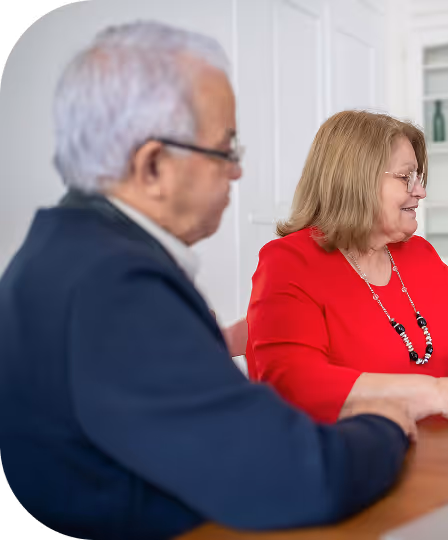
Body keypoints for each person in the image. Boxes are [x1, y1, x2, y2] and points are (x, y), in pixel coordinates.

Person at [0, 21, 415, 540]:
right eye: (226, 150)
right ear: (152, 165)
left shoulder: (66, 251)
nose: (236, 173)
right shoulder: (117, 285)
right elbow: (292, 476)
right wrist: (384, 423)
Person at [246, 110, 448, 427]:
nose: (421, 191)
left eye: (419, 177)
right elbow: (294, 382)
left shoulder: (418, 255)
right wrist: (438, 392)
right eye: (406, 177)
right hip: (342, 457)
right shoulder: (289, 261)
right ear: (357, 180)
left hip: (430, 450)